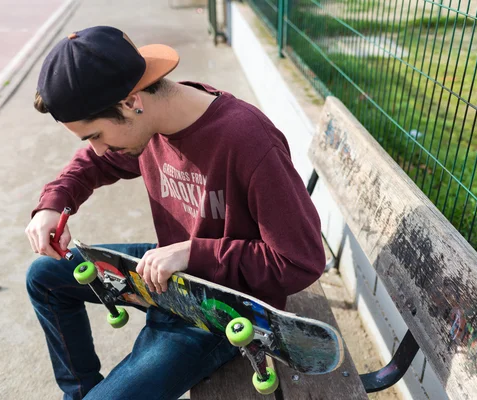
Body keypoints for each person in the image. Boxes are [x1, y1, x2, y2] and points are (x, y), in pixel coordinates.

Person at [25, 25, 325, 400]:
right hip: (168, 274)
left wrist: (192, 252)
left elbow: (300, 262)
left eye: (96, 135)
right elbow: (91, 164)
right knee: (44, 276)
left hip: (222, 305)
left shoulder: (247, 141)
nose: (100, 150)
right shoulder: (150, 121)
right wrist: (54, 203)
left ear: (132, 101)